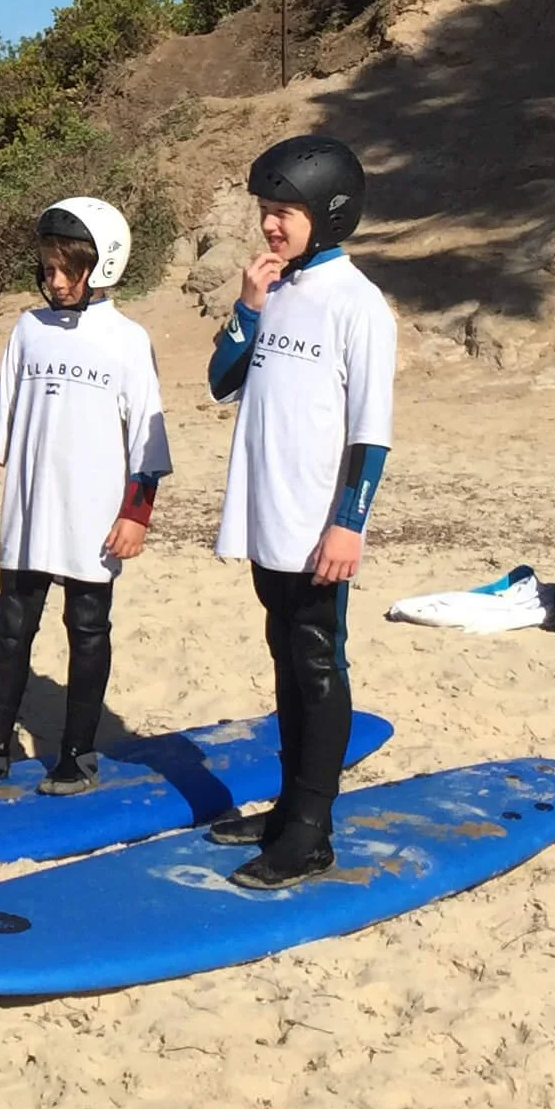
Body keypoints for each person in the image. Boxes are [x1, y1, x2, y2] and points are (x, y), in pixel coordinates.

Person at [204, 135, 397, 889]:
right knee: (286, 657)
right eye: (265, 212)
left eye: (284, 213)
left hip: (321, 524)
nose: (271, 228)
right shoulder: (276, 290)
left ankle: (312, 833)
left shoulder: (359, 305)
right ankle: (288, 809)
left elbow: (370, 432)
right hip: (268, 514)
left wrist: (350, 523)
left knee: (318, 663)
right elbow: (223, 383)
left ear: (330, 214)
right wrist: (248, 307)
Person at [0, 198, 172, 798]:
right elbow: (2, 411)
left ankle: (77, 756)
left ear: (103, 267)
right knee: (12, 626)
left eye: (68, 270)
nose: (56, 282)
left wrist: (135, 514)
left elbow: (149, 433)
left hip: (94, 515)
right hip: (30, 508)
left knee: (88, 627)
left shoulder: (126, 340)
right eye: (48, 269)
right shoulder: (28, 330)